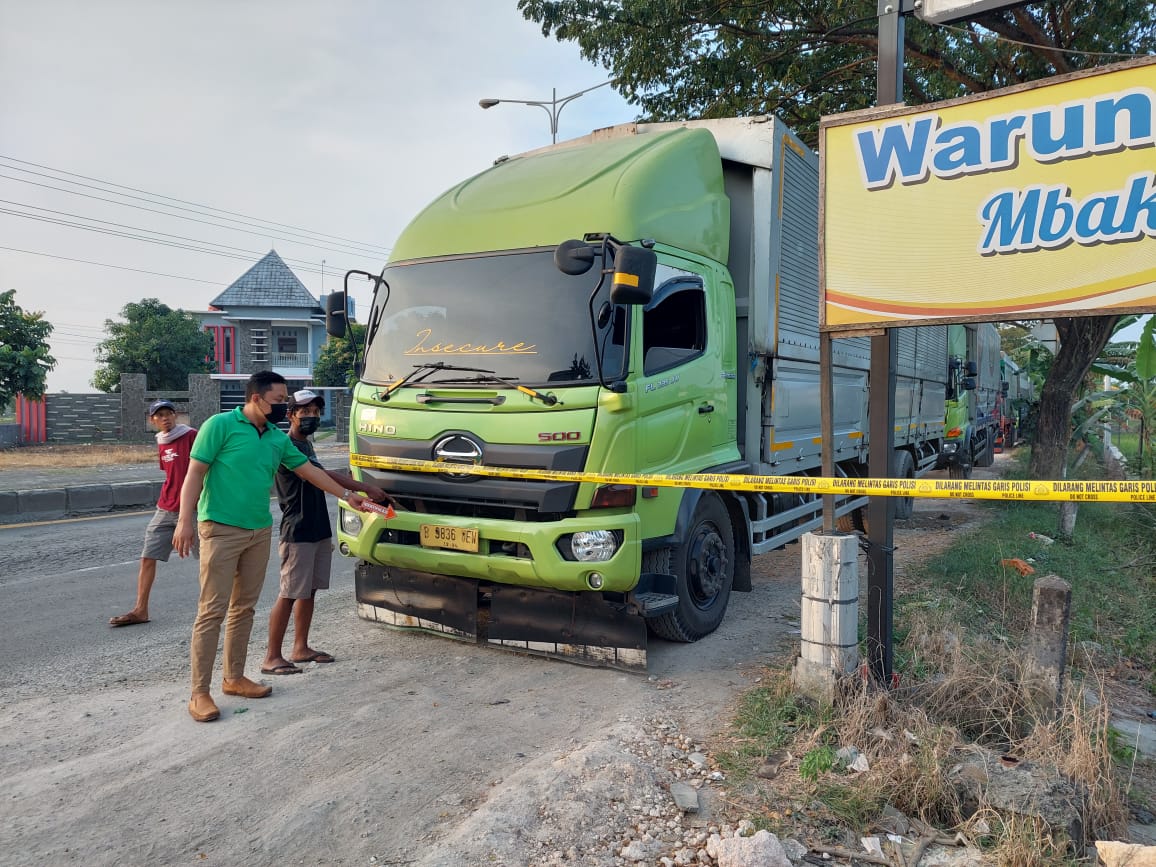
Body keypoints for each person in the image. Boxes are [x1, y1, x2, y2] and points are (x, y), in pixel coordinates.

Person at [173, 371, 373, 723]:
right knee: (212, 611)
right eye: (279, 401)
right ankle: (200, 693)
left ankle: (234, 678)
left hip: (258, 531)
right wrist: (184, 520)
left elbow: (311, 472)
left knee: (244, 608)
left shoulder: (275, 439)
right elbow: (195, 473)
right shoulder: (219, 426)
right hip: (219, 528)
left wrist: (348, 496)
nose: (284, 407)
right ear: (256, 398)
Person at [262, 389, 387, 675]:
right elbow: (323, 475)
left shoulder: (305, 444)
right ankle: (271, 656)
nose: (312, 417)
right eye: (305, 412)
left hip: (317, 526)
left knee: (309, 591)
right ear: (291, 414)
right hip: (298, 528)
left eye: (316, 412)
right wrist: (363, 488)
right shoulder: (287, 444)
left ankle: (300, 647)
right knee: (290, 592)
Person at [109, 399, 197, 627]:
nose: (165, 418)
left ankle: (218, 609)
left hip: (195, 508)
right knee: (148, 556)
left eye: (169, 413)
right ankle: (141, 609)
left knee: (209, 560)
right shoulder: (161, 442)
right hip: (166, 507)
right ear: (152, 420)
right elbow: (171, 474)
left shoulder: (191, 436)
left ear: (175, 415)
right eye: (159, 415)